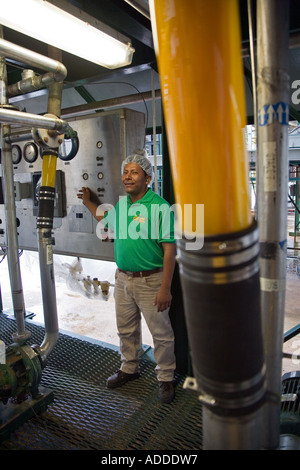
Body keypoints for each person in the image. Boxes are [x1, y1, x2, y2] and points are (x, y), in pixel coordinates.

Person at [77, 150, 176, 404]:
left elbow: (169, 250)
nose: (127, 177)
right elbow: (103, 217)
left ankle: (165, 378)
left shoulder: (160, 207)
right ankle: (129, 368)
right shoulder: (122, 205)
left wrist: (165, 288)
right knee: (126, 329)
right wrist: (87, 201)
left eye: (134, 172)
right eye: (125, 172)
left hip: (151, 280)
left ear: (148, 178)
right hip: (123, 278)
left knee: (161, 333)